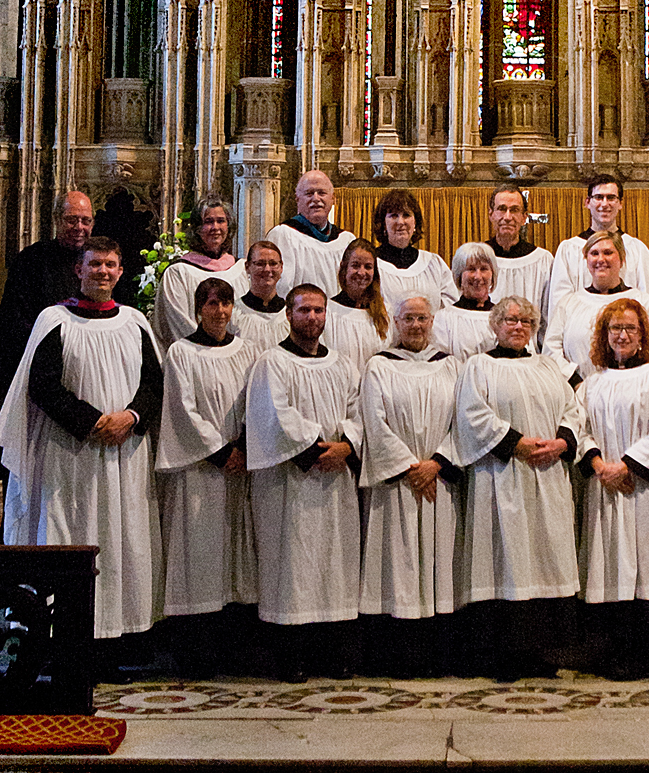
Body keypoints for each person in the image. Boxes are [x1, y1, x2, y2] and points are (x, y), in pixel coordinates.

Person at [0, 235, 163, 653]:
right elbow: (43, 385)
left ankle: (121, 637)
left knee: (125, 537)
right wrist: (91, 422)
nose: (103, 271)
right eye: (95, 264)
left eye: (110, 265)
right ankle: (64, 639)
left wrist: (131, 417)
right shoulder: (55, 321)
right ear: (79, 270)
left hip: (125, 450)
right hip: (70, 454)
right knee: (71, 533)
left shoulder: (136, 323)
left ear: (121, 272)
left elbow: (154, 384)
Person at [453, 295, 583, 680]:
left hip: (546, 478)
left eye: (526, 321)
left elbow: (573, 409)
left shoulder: (546, 366)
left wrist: (562, 441)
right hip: (502, 476)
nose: (518, 326)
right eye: (510, 320)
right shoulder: (479, 366)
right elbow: (472, 413)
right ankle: (502, 655)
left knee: (543, 559)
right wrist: (516, 443)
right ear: (495, 325)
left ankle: (539, 653)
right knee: (504, 560)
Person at [244, 284, 361, 678]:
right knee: (291, 564)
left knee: (334, 562)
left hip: (336, 478)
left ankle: (332, 653)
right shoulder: (271, 362)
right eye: (304, 310)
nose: (312, 318)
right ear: (289, 315)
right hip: (290, 481)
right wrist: (315, 452)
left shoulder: (342, 364)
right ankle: (290, 655)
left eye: (318, 311)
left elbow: (358, 410)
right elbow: (274, 414)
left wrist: (347, 446)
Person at [577, 298, 649, 679]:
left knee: (648, 565)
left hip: (645, 488)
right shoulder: (593, 382)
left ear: (643, 335)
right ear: (604, 336)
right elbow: (582, 429)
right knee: (612, 564)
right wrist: (597, 463)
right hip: (606, 486)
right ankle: (613, 647)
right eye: (615, 329)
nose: (622, 335)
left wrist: (628, 466)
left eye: (630, 328)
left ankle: (646, 651)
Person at [156, 276, 258, 674]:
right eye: (211, 304)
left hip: (239, 469)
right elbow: (181, 408)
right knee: (198, 556)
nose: (219, 312)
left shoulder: (247, 352)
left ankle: (234, 650)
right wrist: (219, 452)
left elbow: (257, 401)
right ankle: (195, 651)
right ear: (198, 309)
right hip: (200, 472)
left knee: (237, 557)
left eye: (225, 304)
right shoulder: (181, 352)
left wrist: (244, 446)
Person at [358, 296, 461, 676]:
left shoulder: (450, 365)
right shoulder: (379, 366)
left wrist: (436, 463)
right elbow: (373, 419)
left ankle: (438, 654)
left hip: (438, 483)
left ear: (432, 321)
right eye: (408, 319)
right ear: (396, 323)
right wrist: (407, 467)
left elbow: (462, 420)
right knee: (395, 564)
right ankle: (394, 655)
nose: (416, 325)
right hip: (396, 486)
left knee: (438, 562)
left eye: (422, 318)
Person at [0, 190, 95, 387]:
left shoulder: (98, 263)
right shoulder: (32, 260)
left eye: (85, 220)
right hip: (43, 372)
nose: (79, 227)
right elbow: (11, 325)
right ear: (57, 219)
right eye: (72, 220)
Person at [543, 230, 649, 384]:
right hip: (579, 395)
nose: (601, 259)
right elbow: (551, 351)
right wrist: (575, 382)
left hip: (634, 392)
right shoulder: (569, 304)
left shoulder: (645, 303)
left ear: (622, 259)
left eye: (608, 253)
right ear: (586, 260)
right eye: (594, 253)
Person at [547, 174, 649, 316]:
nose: (605, 204)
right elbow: (559, 305)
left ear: (620, 203)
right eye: (598, 197)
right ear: (587, 202)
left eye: (611, 198)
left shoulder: (637, 249)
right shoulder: (568, 249)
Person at [151, 199, 246, 353]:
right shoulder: (178, 273)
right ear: (196, 228)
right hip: (195, 356)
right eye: (208, 221)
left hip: (236, 357)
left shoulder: (241, 269)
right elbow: (179, 323)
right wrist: (213, 351)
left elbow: (247, 321)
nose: (215, 227)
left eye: (221, 221)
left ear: (229, 226)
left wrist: (236, 351)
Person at [263, 170, 355, 300]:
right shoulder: (283, 235)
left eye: (322, 193)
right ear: (298, 200)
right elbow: (279, 289)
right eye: (309, 193)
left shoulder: (346, 241)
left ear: (333, 199)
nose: (316, 199)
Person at [372, 187, 457, 316]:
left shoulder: (433, 264)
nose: (400, 222)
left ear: (415, 223)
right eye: (393, 216)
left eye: (406, 215)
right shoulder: (372, 265)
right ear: (383, 223)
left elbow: (450, 310)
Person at [485, 186, 554, 338]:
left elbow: (549, 316)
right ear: (491, 214)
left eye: (514, 210)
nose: (508, 217)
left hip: (529, 353)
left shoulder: (542, 260)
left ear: (524, 217)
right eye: (502, 209)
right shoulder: (478, 258)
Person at [323, 238, 392, 373]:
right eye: (355, 265)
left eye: (368, 267)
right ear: (344, 268)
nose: (361, 272)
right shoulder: (329, 311)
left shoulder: (385, 312)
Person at [434, 244, 500, 361]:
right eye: (471, 269)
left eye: (484, 269)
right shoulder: (442, 320)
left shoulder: (504, 319)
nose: (477, 276)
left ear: (492, 275)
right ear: (459, 276)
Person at [231, 240, 289, 352]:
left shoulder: (290, 315)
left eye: (273, 264)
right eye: (260, 264)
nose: (267, 269)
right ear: (247, 267)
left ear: (281, 267)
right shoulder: (234, 314)